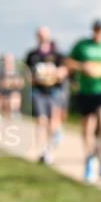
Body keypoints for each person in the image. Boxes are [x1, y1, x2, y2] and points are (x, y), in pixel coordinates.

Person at [67, 19, 101, 183]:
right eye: (96, 30)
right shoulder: (82, 45)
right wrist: (83, 67)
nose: (99, 34)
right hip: (86, 90)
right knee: (88, 127)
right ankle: (90, 159)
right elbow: (68, 62)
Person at [25, 27, 68, 165]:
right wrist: (35, 77)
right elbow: (27, 74)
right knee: (41, 121)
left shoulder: (57, 54)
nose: (43, 37)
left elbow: (64, 70)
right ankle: (43, 150)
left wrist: (58, 73)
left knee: (53, 122)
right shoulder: (32, 55)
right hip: (38, 91)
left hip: (55, 91)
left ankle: (50, 148)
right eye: (40, 35)